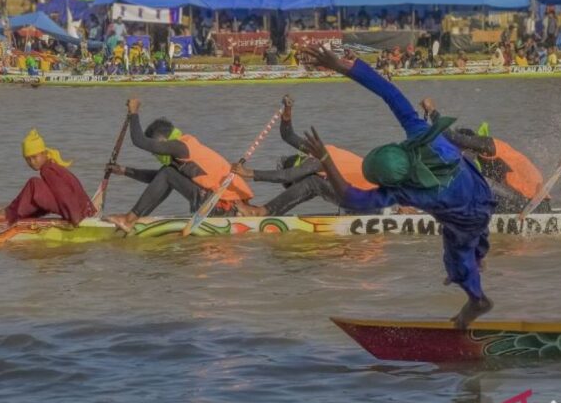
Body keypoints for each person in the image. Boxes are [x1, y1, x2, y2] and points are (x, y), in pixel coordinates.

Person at [297, 46, 495, 328]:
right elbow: (390, 94)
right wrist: (343, 67)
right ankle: (479, 257)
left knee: (456, 257)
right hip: (481, 189)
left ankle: (477, 299)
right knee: (469, 239)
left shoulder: (408, 191)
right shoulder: (420, 133)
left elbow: (352, 199)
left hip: (468, 218)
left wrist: (326, 160)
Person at [104, 99, 254, 232]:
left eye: (155, 151)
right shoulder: (184, 150)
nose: (155, 155)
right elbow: (158, 179)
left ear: (162, 141)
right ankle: (133, 218)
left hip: (223, 207)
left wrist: (134, 112)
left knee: (167, 173)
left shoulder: (180, 147)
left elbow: (139, 141)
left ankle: (129, 220)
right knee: (167, 172)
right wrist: (123, 170)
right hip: (223, 205)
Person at [234, 95, 376, 217]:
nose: (297, 184)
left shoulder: (317, 160)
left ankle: (262, 212)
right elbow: (288, 135)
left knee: (313, 183)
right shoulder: (316, 150)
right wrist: (287, 113)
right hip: (371, 196)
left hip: (369, 201)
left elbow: (287, 176)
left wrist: (249, 173)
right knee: (317, 183)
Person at [420, 98, 547, 213]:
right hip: (527, 203)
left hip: (530, 204)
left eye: (461, 150)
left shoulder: (487, 144)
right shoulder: (486, 160)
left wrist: (432, 111)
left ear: (469, 144)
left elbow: (452, 137)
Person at [0, 129, 95, 225]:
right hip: (81, 210)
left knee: (34, 184)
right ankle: (11, 211)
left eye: (35, 157)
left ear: (44, 153)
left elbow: (64, 192)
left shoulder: (48, 170)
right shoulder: (51, 166)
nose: (32, 162)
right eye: (28, 159)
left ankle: (9, 213)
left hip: (77, 213)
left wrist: (75, 218)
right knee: (36, 190)